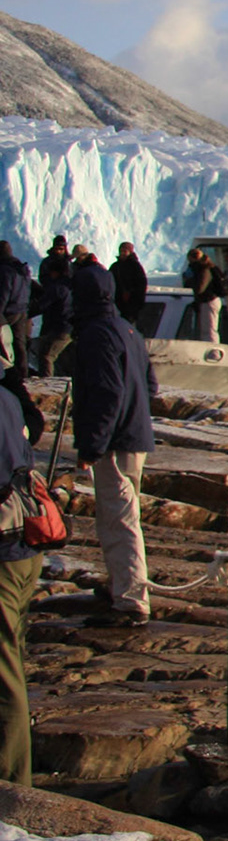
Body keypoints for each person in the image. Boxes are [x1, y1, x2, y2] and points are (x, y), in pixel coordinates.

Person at [71, 260, 155, 628]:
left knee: (119, 519)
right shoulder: (127, 329)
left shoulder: (96, 333)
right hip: (135, 435)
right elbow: (149, 386)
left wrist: (93, 444)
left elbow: (107, 392)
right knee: (120, 515)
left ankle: (131, 601)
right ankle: (120, 584)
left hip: (116, 442)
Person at [0, 364, 46, 784]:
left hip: (5, 549)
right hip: (22, 544)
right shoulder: (10, 395)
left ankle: (13, 787)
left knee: (4, 675)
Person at [31, 257, 72, 376]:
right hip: (71, 327)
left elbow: (42, 305)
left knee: (47, 356)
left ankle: (47, 385)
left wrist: (26, 313)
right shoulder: (71, 285)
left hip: (61, 327)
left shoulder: (57, 288)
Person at [0, 243, 30, 370]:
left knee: (4, 343)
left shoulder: (4, 269)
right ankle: (22, 373)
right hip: (22, 310)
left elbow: (3, 292)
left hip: (8, 311)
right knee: (19, 345)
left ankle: (6, 373)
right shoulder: (21, 268)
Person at [183, 248, 220, 343]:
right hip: (206, 301)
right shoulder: (202, 269)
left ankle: (213, 353)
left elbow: (200, 288)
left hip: (209, 301)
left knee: (209, 330)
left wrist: (189, 280)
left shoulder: (204, 270)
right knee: (205, 330)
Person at [109, 242, 147, 326]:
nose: (122, 253)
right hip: (117, 303)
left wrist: (131, 295)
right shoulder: (115, 266)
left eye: (125, 251)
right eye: (121, 251)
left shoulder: (135, 266)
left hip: (131, 305)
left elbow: (141, 285)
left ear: (130, 252)